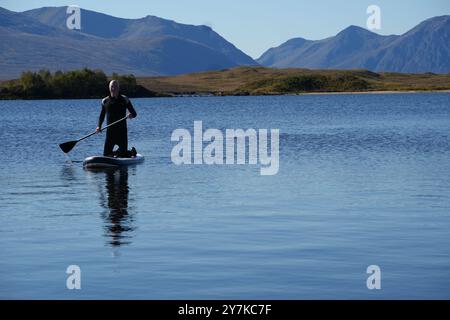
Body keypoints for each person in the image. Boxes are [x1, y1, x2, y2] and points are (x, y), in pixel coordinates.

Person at [96, 80, 137, 157]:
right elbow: (102, 115)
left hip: (122, 132)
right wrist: (99, 126)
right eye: (112, 86)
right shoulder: (105, 101)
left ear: (118, 88)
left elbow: (134, 113)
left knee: (123, 155)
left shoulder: (125, 99)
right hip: (110, 133)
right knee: (106, 155)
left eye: (116, 86)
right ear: (109, 88)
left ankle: (131, 152)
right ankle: (116, 153)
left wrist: (131, 115)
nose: (114, 88)